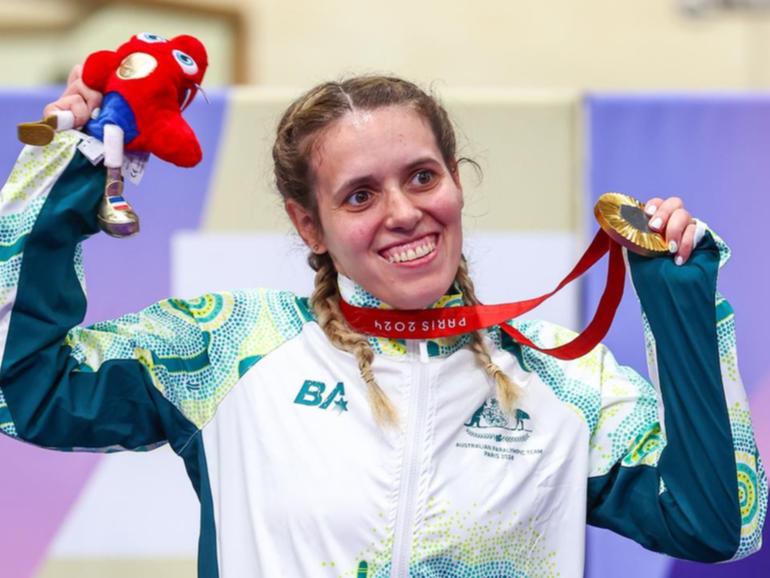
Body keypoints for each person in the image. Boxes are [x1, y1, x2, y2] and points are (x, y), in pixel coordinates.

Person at [0, 67, 765, 578]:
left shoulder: (564, 382)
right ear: (310, 224)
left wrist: (680, 301)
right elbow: (18, 383)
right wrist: (67, 170)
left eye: (422, 177)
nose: (404, 213)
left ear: (457, 184)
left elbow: (719, 526)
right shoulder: (229, 346)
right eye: (360, 195)